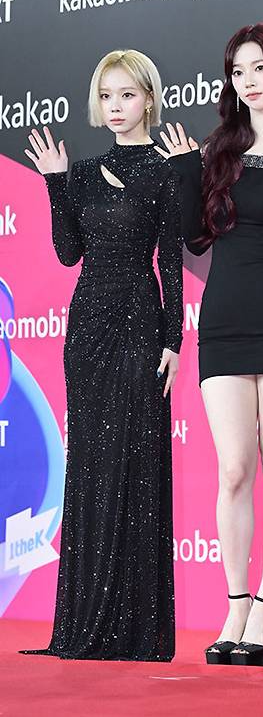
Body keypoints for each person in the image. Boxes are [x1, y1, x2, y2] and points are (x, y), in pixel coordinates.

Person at [158, 24, 263, 667]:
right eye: (237, 71)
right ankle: (234, 605)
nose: (249, 81)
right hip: (224, 318)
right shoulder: (218, 150)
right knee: (233, 469)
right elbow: (193, 238)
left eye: (261, 67)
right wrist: (185, 173)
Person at [21, 49, 182, 661]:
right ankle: (84, 621)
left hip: (140, 324)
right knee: (90, 468)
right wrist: (55, 183)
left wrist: (173, 340)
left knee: (135, 464)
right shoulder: (82, 172)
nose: (116, 106)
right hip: (87, 330)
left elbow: (171, 263)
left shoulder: (165, 172)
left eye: (127, 95)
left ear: (149, 99)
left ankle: (134, 628)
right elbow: (68, 253)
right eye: (107, 95)